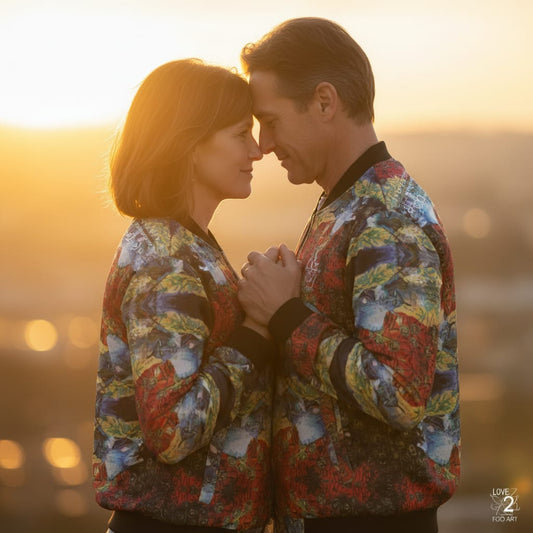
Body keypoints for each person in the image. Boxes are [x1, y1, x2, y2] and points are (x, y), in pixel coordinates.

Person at [238, 18, 460, 533]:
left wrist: (286, 315)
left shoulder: (387, 218)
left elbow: (399, 393)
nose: (264, 144)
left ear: (324, 101)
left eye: (270, 121)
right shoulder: (348, 203)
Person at [92, 59, 275, 533]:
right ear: (190, 145)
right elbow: (172, 430)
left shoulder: (184, 245)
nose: (257, 151)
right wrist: (256, 333)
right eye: (241, 134)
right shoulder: (165, 262)